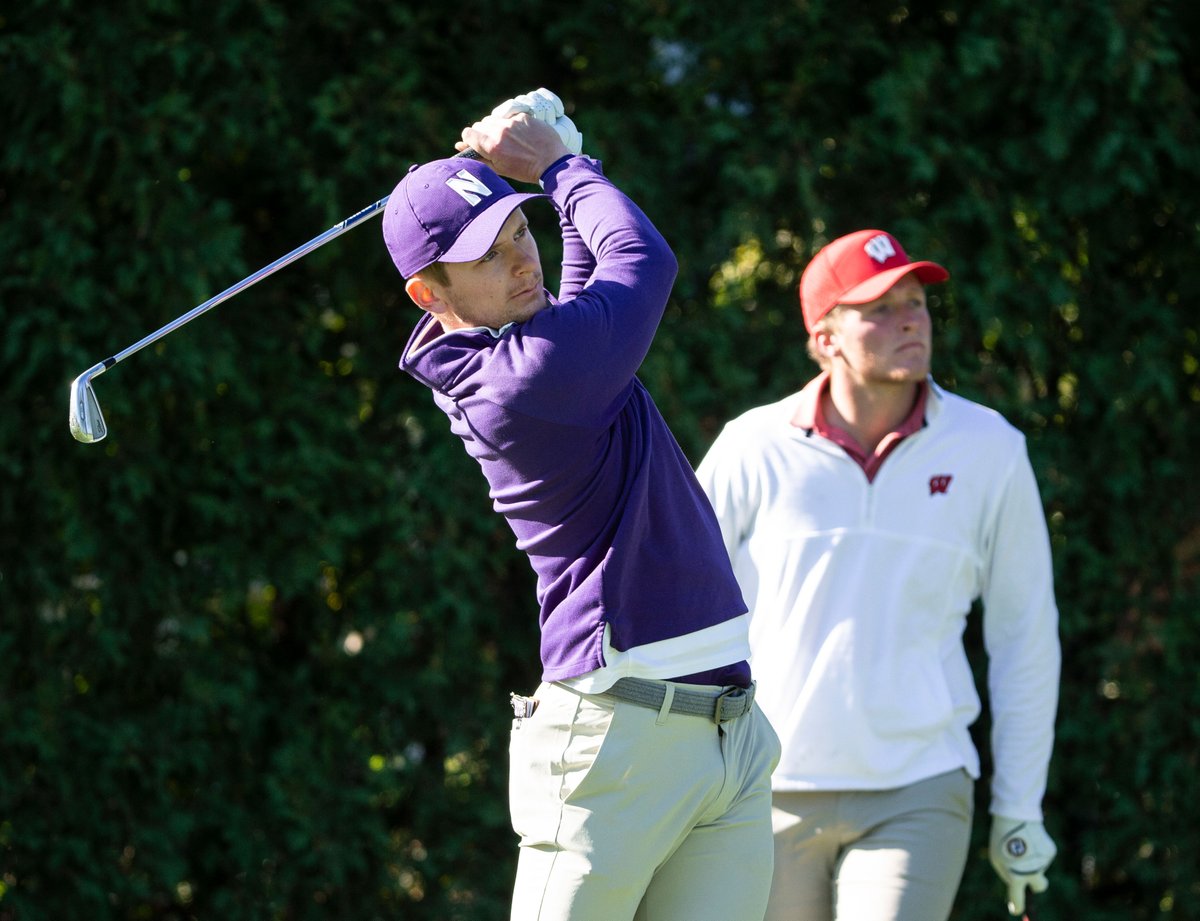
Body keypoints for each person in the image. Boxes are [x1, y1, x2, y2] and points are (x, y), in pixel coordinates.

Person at [381, 89, 780, 921]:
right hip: (614, 744)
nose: (523, 259)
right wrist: (561, 165)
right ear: (430, 294)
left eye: (521, 229)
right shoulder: (520, 383)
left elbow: (590, 283)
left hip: (728, 734)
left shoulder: (532, 344)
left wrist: (560, 159)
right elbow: (641, 265)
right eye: (489, 254)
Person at [695, 229, 1061, 921]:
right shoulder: (752, 445)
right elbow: (678, 609)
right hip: (761, 786)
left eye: (916, 303)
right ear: (824, 337)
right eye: (879, 308)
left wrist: (1019, 805)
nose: (909, 321)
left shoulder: (992, 449)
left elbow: (1025, 636)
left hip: (920, 786)